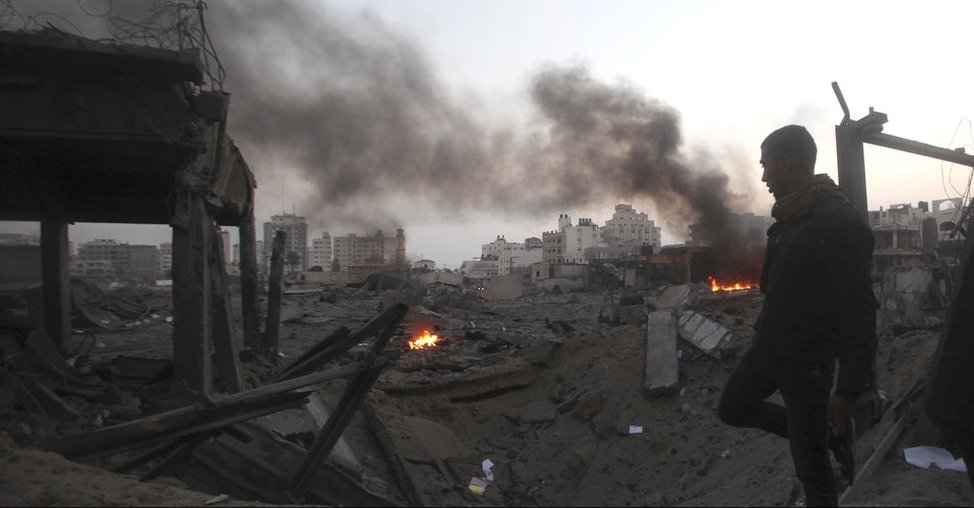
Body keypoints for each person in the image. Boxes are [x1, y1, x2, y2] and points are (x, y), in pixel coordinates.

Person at [717, 125, 878, 507]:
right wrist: (761, 330)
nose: (763, 177)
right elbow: (777, 289)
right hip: (772, 347)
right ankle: (825, 434)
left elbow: (859, 312)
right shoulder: (791, 217)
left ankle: (819, 440)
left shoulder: (837, 221)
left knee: (813, 471)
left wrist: (847, 391)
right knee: (733, 408)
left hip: (808, 361)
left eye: (766, 166)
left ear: (786, 164)